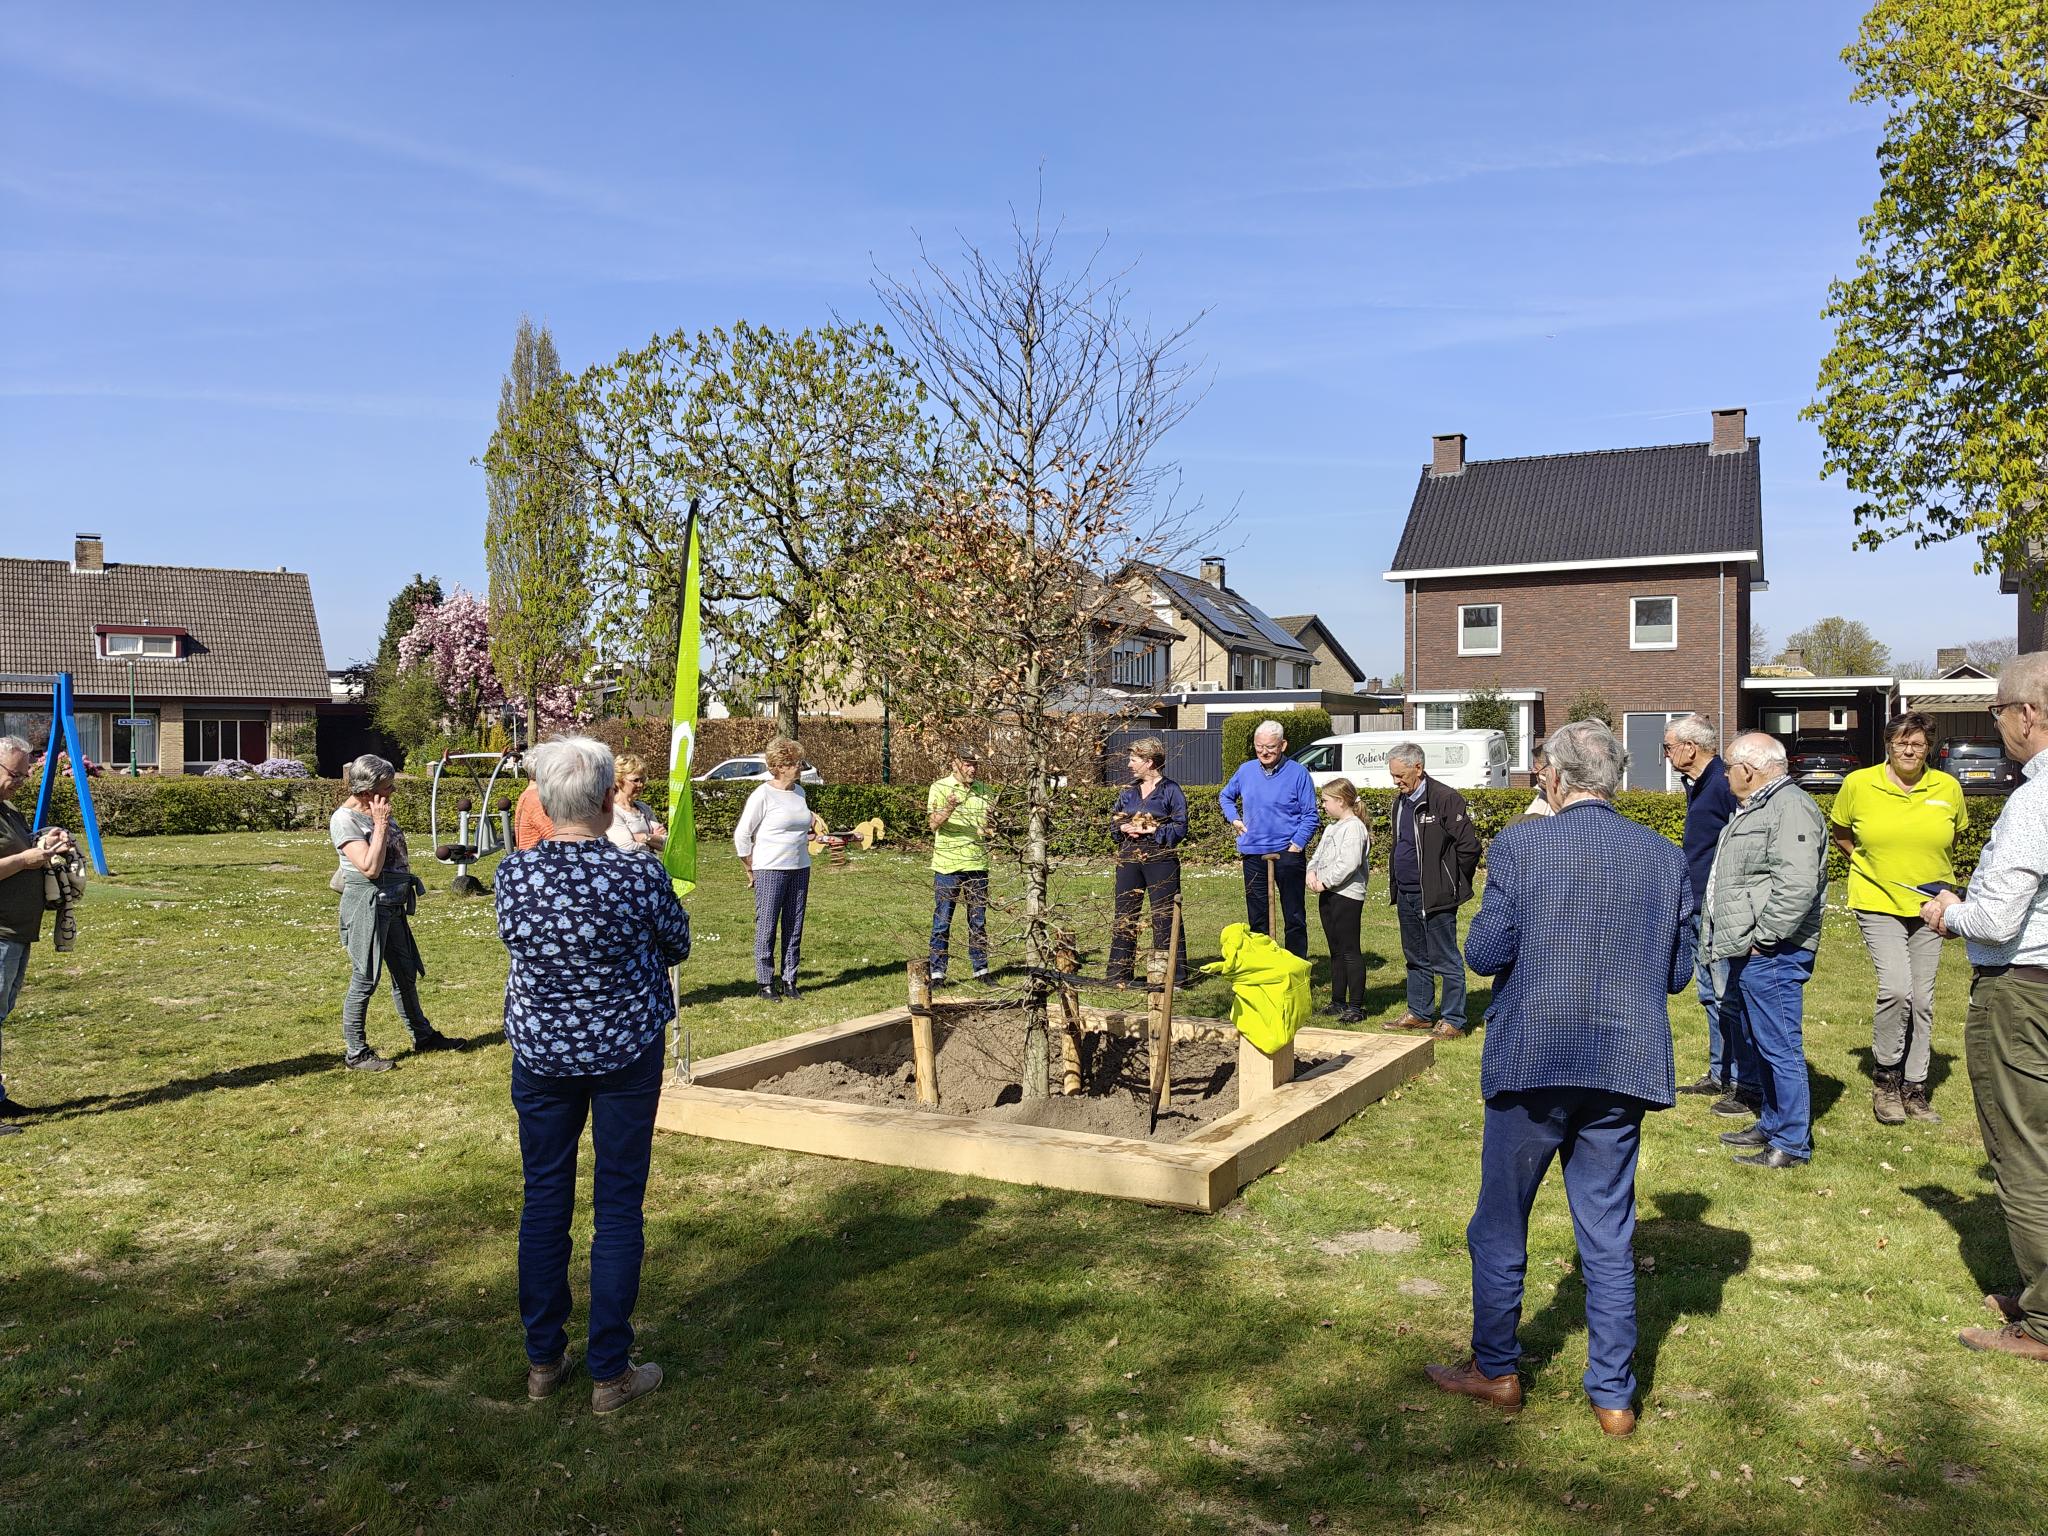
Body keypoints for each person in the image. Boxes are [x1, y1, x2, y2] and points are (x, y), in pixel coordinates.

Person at [1429, 721, 1691, 1437]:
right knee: (1607, 1232)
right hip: (1623, 1061)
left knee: (1500, 1220)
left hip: (1534, 1059)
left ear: (1553, 776)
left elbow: (1482, 952)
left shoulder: (1522, 843)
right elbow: (1676, 973)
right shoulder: (1663, 855)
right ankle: (1613, 1398)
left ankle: (1497, 1369)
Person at [495, 735, 690, 1414]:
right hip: (624, 1054)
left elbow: (517, 941)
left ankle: (544, 1362)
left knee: (544, 1200)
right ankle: (609, 1373)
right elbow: (678, 942)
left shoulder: (513, 875)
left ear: (545, 803)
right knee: (616, 1207)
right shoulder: (638, 874)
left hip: (543, 1054)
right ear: (610, 798)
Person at [1921, 652, 2048, 1362]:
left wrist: (1949, 912)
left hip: (2022, 993)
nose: (1998, 722)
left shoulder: (2035, 799)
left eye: (1999, 708)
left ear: (2028, 713)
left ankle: (2043, 1322)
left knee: (2026, 1155)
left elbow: (1998, 919)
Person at [1698, 732, 1828, 1168]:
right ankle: (1772, 1125)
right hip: (1753, 948)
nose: (1726, 775)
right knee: (1761, 1041)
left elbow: (1797, 885)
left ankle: (1791, 1143)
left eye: (1730, 767)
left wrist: (1765, 939)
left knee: (1779, 1046)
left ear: (1749, 771)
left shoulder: (1789, 808)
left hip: (1773, 952)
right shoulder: (1763, 806)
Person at [1833, 711, 1967, 1125]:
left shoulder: (1947, 787)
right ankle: (1885, 1080)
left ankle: (1914, 1088)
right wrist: (1869, 866)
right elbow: (1841, 833)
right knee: (1896, 989)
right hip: (1877, 901)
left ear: (1929, 748)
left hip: (1931, 905)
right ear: (1888, 745)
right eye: (1901, 742)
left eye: (1918, 743)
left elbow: (1952, 837)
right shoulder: (1859, 784)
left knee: (1923, 1000)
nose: (1909, 750)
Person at [330, 754, 453, 1071]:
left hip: (393, 903)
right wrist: (381, 824)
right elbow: (370, 867)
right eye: (388, 786)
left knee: (405, 973)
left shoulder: (376, 809)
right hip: (368, 906)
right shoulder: (345, 820)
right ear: (367, 790)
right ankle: (356, 1053)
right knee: (365, 978)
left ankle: (423, 1036)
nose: (393, 791)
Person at [1663, 713, 1745, 1104]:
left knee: (1727, 994)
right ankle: (1719, 1072)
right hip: (1699, 904)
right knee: (1710, 994)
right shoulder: (1701, 784)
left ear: (1689, 748)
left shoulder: (1723, 784)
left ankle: (1743, 1079)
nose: (1664, 755)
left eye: (1667, 747)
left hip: (1718, 907)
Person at [0, 735, 76, 1132]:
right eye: (18, 771)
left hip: (16, 931)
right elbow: (11, 860)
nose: (26, 777)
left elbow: (19, 849)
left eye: (28, 770)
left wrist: (42, 844)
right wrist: (23, 859)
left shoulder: (7, 808)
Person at [1382, 741, 1482, 1040]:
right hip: (1407, 892)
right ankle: (1419, 1013)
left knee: (1445, 958)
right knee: (1414, 956)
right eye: (1393, 776)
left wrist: (1448, 881)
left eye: (1400, 776)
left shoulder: (1445, 799)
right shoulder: (1399, 801)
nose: (1396, 781)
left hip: (1436, 895)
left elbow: (1469, 847)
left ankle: (1453, 1019)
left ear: (1418, 768)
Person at [1219, 720, 1319, 959]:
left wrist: (1297, 845)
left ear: (1283, 745)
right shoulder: (1245, 770)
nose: (1264, 752)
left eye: (1270, 747)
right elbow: (1225, 797)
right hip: (1253, 852)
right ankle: (1263, 964)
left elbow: (1310, 815)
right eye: (1259, 746)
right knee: (1257, 915)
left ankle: (1295, 965)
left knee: (1293, 914)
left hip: (1287, 853)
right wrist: (1234, 819)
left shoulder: (1298, 773)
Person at [735, 737, 822, 1002]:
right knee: (768, 926)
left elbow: (800, 826)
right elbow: (742, 835)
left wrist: (812, 835)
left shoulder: (800, 793)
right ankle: (765, 982)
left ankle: (789, 979)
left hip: (800, 866)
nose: (799, 767)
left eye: (799, 762)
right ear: (778, 766)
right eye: (794, 763)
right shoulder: (763, 794)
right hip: (770, 868)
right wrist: (750, 868)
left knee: (794, 925)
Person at [1106, 737, 1190, 988]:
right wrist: (1124, 827)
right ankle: (1118, 975)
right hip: (1129, 856)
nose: (1129, 764)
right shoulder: (1128, 791)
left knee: (1164, 916)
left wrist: (1150, 830)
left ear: (1149, 762)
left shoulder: (1171, 790)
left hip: (1160, 858)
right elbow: (1114, 822)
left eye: (1134, 760)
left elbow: (1180, 827)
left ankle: (1172, 976)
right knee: (1124, 914)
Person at [926, 747, 995, 985]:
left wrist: (992, 825)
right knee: (943, 921)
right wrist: (949, 807)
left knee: (978, 920)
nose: (972, 768)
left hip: (977, 864)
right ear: (954, 764)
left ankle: (981, 970)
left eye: (974, 764)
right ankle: (937, 973)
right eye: (967, 764)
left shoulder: (985, 791)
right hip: (948, 866)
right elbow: (933, 825)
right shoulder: (939, 787)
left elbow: (990, 828)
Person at [1305, 777, 1370, 1021]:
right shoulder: (1332, 827)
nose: (1322, 805)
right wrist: (1312, 872)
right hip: (1329, 895)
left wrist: (1326, 881)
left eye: (1325, 801)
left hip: (1347, 896)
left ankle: (1356, 1005)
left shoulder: (1354, 827)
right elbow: (1318, 855)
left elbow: (1349, 863)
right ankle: (1338, 1000)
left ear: (1341, 801)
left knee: (1349, 950)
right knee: (1335, 951)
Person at [605, 753, 668, 855]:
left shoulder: (644, 808)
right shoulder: (612, 811)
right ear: (619, 780)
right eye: (635, 780)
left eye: (643, 780)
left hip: (650, 867)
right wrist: (653, 842)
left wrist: (643, 837)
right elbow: (626, 847)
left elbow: (666, 843)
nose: (641, 785)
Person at [513, 780, 555, 850]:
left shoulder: (528, 794)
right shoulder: (536, 798)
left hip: (533, 856)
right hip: (537, 856)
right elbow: (554, 837)